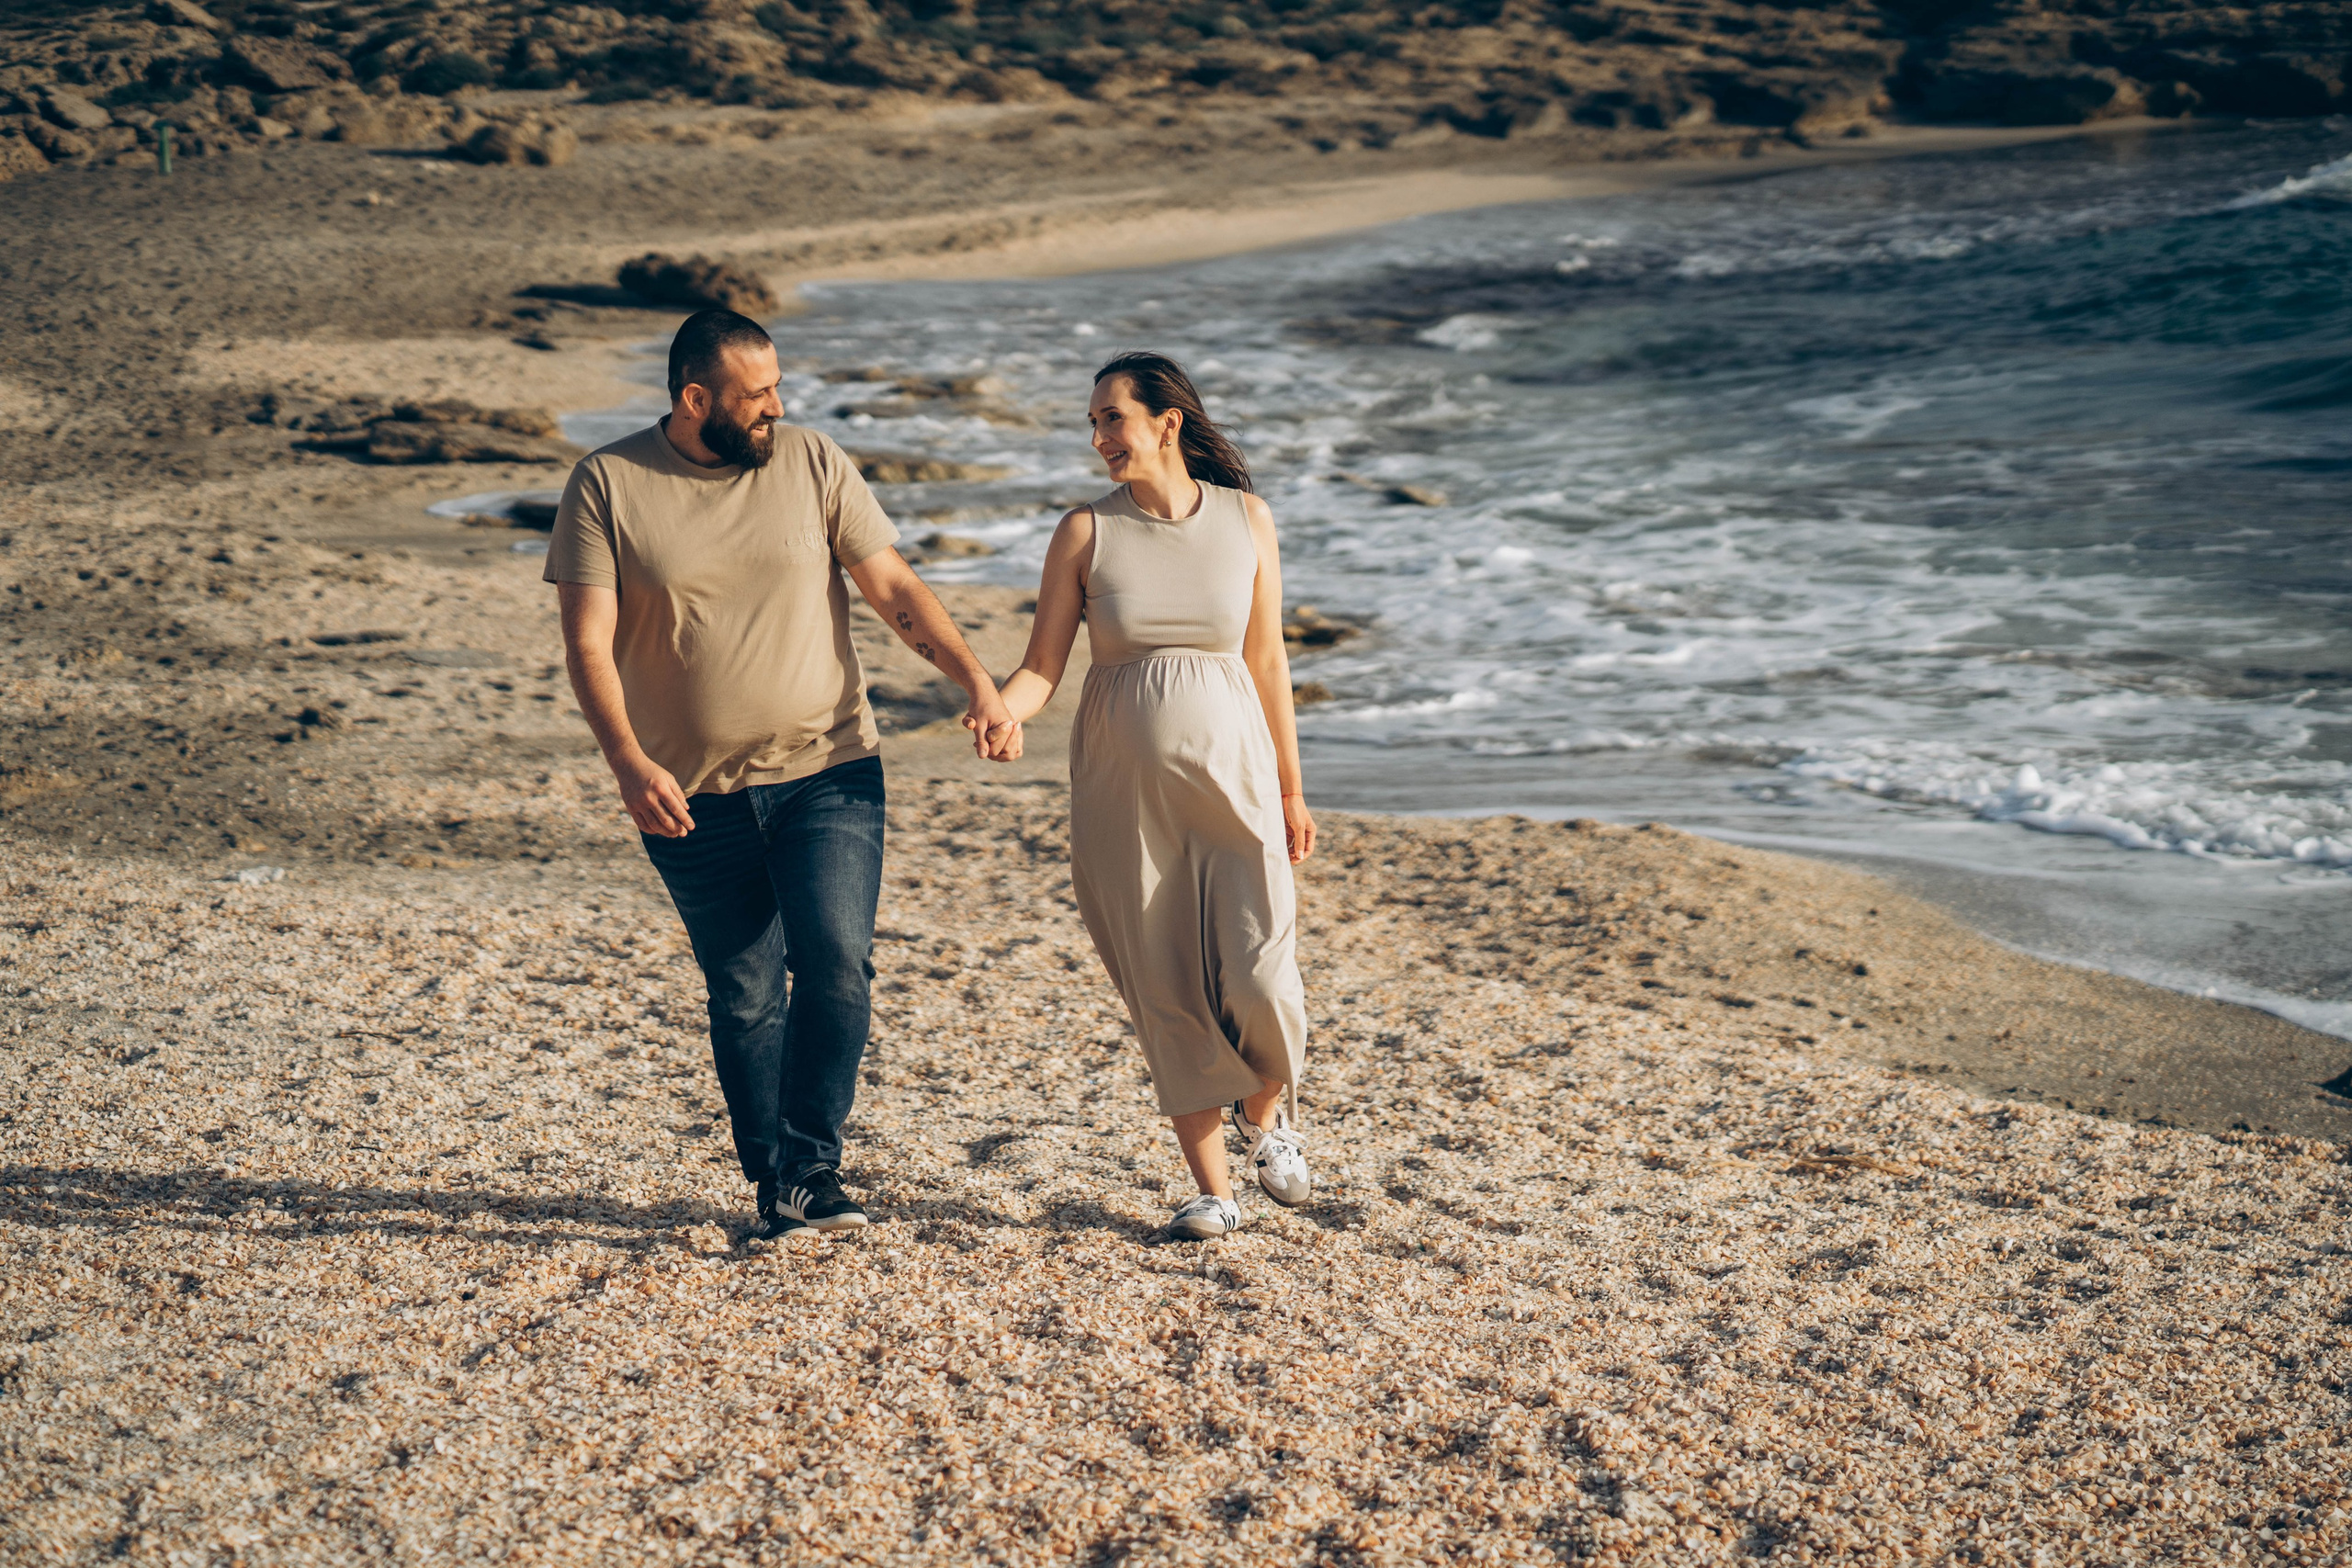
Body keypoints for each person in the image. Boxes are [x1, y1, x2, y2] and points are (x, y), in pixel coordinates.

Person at [546, 308, 1017, 1242]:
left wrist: (976, 680)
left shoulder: (809, 461)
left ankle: (812, 1163)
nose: (777, 407)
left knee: (837, 963)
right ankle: (775, 1185)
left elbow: (893, 589)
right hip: (686, 794)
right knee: (745, 992)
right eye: (756, 396)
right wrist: (627, 762)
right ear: (694, 399)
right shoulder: (608, 484)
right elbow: (587, 644)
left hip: (828, 767)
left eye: (777, 389)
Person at [994, 351, 1316, 1240]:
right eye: (1093, 423)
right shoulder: (1084, 534)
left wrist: (1291, 790)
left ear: (1166, 423)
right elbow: (1041, 669)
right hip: (1123, 799)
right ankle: (1214, 1188)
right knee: (1164, 983)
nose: (1098, 439)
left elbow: (1267, 663)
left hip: (1237, 782)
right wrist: (1000, 709)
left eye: (1111, 419)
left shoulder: (1248, 521)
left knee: (1260, 974)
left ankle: (1265, 1115)